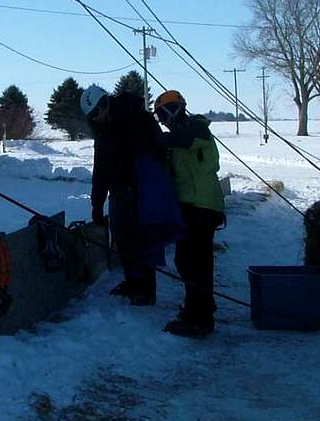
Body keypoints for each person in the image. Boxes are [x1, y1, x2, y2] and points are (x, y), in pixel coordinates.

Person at [82, 84, 168, 306]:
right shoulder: (103, 132)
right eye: (91, 116)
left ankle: (146, 289)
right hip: (119, 192)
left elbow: (159, 150)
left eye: (95, 113)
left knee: (143, 240)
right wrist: (96, 205)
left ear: (104, 104)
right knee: (122, 239)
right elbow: (99, 170)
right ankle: (132, 281)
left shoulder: (137, 118)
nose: (94, 119)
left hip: (143, 190)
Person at [154, 90, 226, 338]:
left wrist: (155, 138)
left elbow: (181, 140)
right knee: (191, 261)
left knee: (194, 262)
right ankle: (201, 309)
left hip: (203, 207)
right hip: (192, 205)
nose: (163, 121)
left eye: (163, 114)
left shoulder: (196, 128)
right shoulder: (179, 134)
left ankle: (200, 319)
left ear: (174, 109)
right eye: (159, 117)